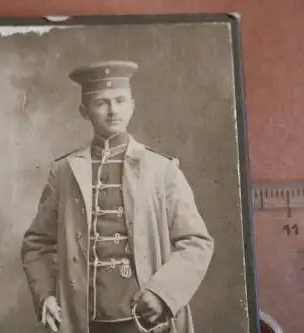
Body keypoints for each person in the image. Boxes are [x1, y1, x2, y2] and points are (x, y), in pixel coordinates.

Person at [21, 60, 214, 333]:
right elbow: (36, 243)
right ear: (84, 111)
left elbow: (196, 241)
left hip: (146, 320)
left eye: (120, 101)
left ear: (132, 106)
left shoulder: (161, 169)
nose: (113, 111)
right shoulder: (64, 172)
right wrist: (46, 296)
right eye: (101, 103)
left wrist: (162, 294)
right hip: (83, 321)